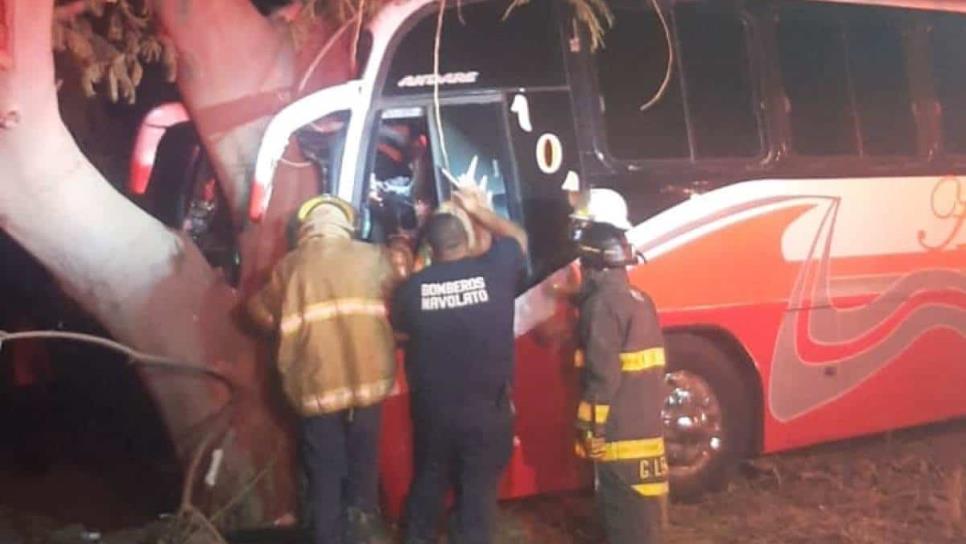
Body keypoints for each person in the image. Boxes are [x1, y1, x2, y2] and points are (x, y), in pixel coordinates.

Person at [247, 195, 400, 544]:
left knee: (325, 471)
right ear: (346, 225)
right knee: (363, 464)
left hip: (318, 383)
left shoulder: (290, 267)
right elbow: (401, 290)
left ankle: (328, 536)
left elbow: (256, 313)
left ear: (306, 228)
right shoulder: (372, 256)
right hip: (369, 381)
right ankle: (363, 530)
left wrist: (282, 323)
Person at [391, 182, 528, 544]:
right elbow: (517, 238)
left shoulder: (412, 290)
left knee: (428, 483)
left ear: (431, 250)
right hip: (487, 412)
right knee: (478, 498)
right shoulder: (495, 272)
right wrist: (477, 209)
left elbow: (400, 332)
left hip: (434, 413)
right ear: (465, 241)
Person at [572, 210, 669, 544]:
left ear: (592, 266)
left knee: (624, 523)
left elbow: (603, 377)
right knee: (648, 521)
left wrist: (591, 429)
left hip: (618, 438)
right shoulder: (641, 300)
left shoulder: (599, 307)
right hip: (647, 433)